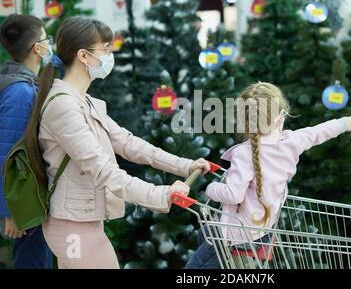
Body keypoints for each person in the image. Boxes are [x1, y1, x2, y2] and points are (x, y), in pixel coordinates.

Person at [22, 16, 210, 269]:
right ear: (84, 56)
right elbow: (104, 171)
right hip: (73, 230)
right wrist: (162, 194)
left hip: (82, 224)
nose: (111, 54)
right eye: (106, 48)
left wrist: (185, 165)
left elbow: (129, 143)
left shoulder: (82, 101)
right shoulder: (63, 106)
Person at [186, 82, 351, 269]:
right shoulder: (292, 141)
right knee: (206, 232)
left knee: (195, 267)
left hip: (236, 234)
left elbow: (233, 194)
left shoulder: (244, 153)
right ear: (280, 118)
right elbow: (317, 133)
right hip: (263, 231)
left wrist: (210, 189)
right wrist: (343, 123)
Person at [0, 14, 54, 269]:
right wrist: (10, 212)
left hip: (27, 197)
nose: (49, 44)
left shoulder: (20, 82)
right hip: (24, 202)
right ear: (37, 48)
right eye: (46, 39)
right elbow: (8, 153)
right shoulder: (21, 92)